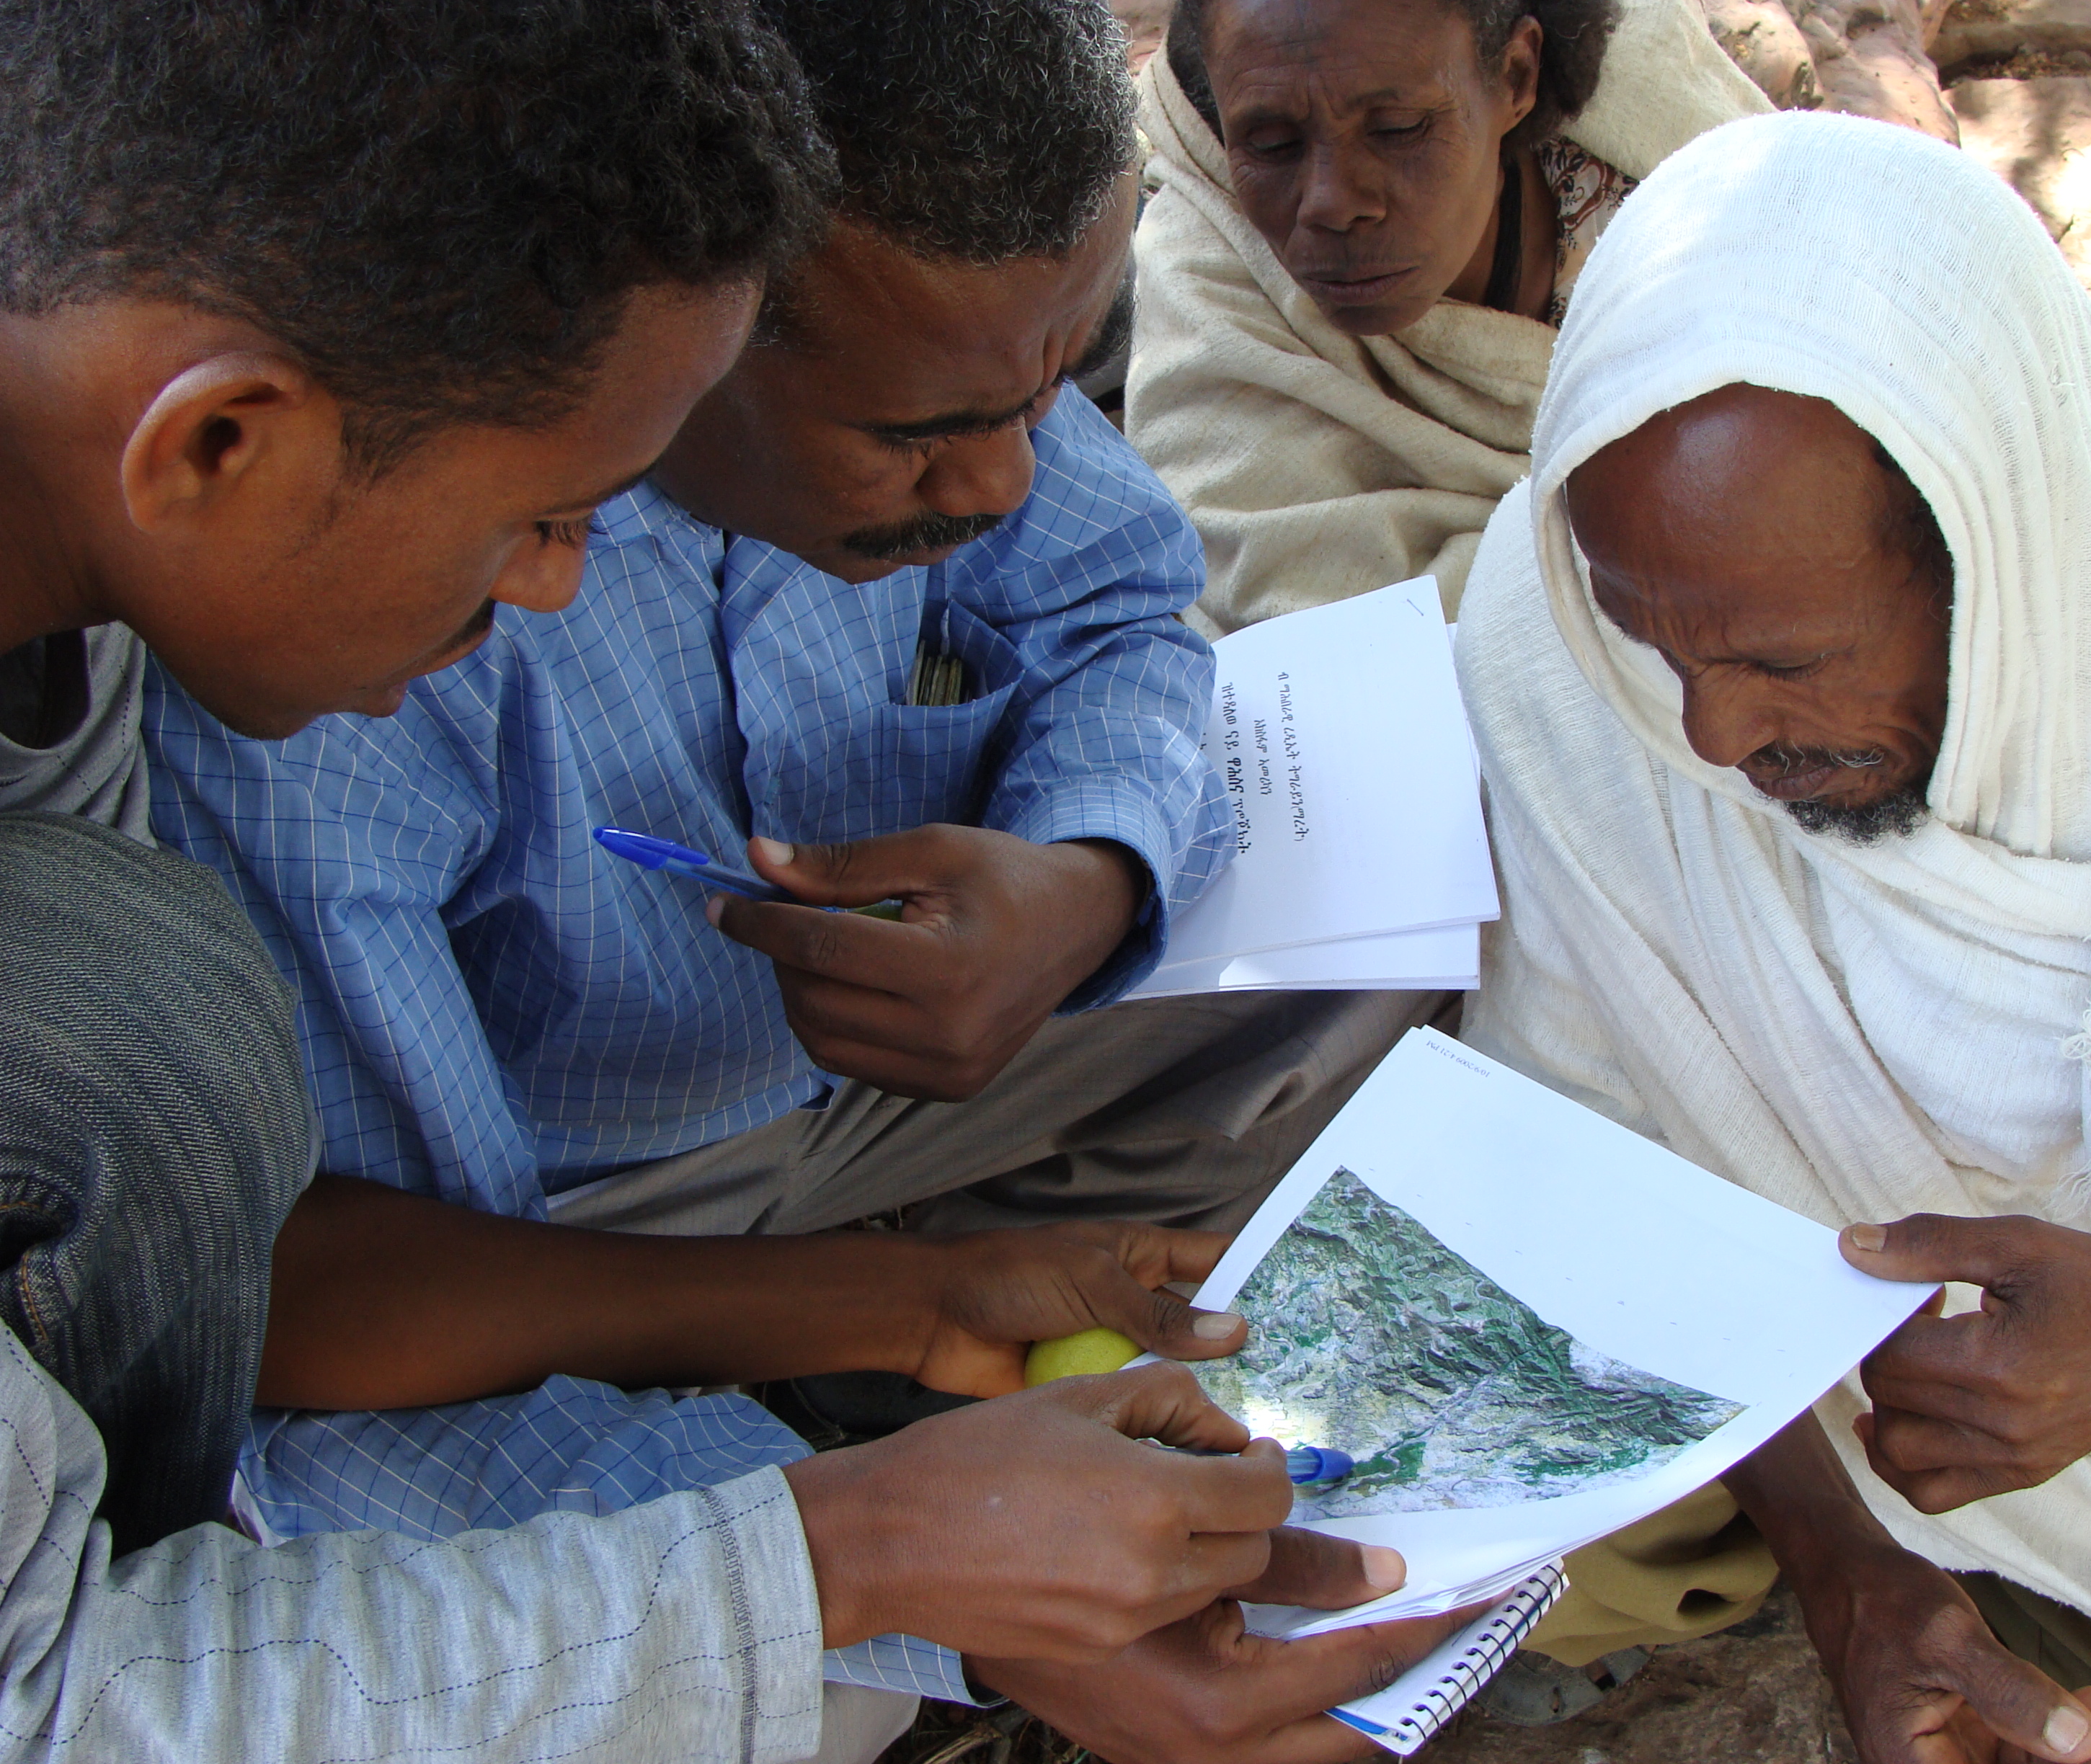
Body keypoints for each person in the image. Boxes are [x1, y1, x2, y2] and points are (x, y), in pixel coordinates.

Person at [0, 4, 1432, 1759]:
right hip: (483, 1242)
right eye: (556, 510)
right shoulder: (297, 737)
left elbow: (1119, 601)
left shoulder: (152, 555)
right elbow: (82, 1663)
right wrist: (881, 1560)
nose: (560, 583)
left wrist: (917, 1301)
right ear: (220, 446)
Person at [1457, 109, 2091, 1762]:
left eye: (1789, 661)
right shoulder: (1583, 658)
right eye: (1657, 641)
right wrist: (1849, 1566)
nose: (1712, 736)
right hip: (1875, 1493)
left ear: (2007, 565)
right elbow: (1596, 1178)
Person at [1122, 0, 1768, 635]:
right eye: (1270, 144)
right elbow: (1312, 629)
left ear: (1516, 76)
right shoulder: (1210, 288)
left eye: (1397, 128)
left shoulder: (1663, 142)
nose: (1332, 202)